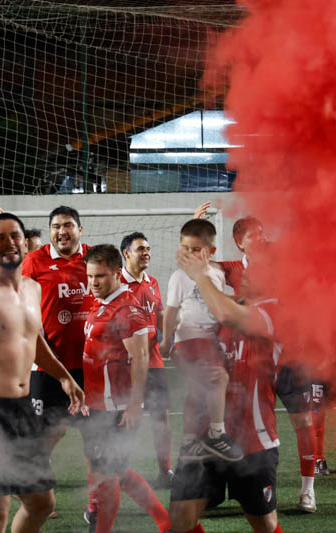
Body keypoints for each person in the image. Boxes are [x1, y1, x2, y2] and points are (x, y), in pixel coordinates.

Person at [0, 212, 86, 533]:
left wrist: (64, 376)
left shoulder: (31, 289)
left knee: (42, 503)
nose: (9, 243)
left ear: (25, 243)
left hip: (22, 410)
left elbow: (32, 338)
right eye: (0, 237)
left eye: (15, 236)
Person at [193, 204, 318, 513]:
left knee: (303, 420)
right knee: (240, 419)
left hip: (289, 352)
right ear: (240, 241)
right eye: (255, 234)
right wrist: (197, 227)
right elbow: (201, 267)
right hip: (251, 358)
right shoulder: (232, 268)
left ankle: (307, 491)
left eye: (264, 232)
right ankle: (237, 485)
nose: (262, 238)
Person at [169, 246, 286, 533]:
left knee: (265, 525)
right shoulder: (222, 304)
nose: (246, 272)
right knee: (181, 517)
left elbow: (226, 313)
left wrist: (199, 276)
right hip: (205, 436)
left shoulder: (277, 311)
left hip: (252, 440)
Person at [81, 244, 173, 533]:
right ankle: (165, 523)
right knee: (113, 472)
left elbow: (141, 357)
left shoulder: (127, 308)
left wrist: (134, 405)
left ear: (117, 274)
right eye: (90, 276)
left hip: (116, 408)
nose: (93, 283)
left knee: (109, 474)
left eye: (100, 276)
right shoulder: (102, 302)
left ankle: (157, 523)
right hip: (98, 405)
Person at [21, 206, 98, 521]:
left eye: (68, 225)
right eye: (55, 226)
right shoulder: (34, 261)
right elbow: (23, 307)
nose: (61, 232)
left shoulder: (95, 258)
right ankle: (36, 497)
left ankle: (95, 505)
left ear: (80, 228)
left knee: (94, 438)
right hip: (47, 367)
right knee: (44, 436)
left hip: (90, 367)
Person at [161, 219, 243, 462]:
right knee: (219, 379)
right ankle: (216, 434)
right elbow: (171, 311)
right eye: (185, 249)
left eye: (196, 250)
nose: (190, 255)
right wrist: (166, 342)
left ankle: (189, 443)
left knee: (198, 391)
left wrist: (240, 300)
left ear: (212, 252)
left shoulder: (216, 275)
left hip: (211, 341)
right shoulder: (178, 277)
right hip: (188, 340)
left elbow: (219, 302)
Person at [119, 231, 174, 488]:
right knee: (130, 418)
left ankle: (166, 471)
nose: (147, 253)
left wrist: (167, 339)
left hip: (155, 362)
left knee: (161, 416)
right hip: (127, 366)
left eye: (148, 248)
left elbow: (160, 312)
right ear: (126, 253)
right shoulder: (115, 283)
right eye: (140, 249)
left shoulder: (152, 281)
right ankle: (121, 473)